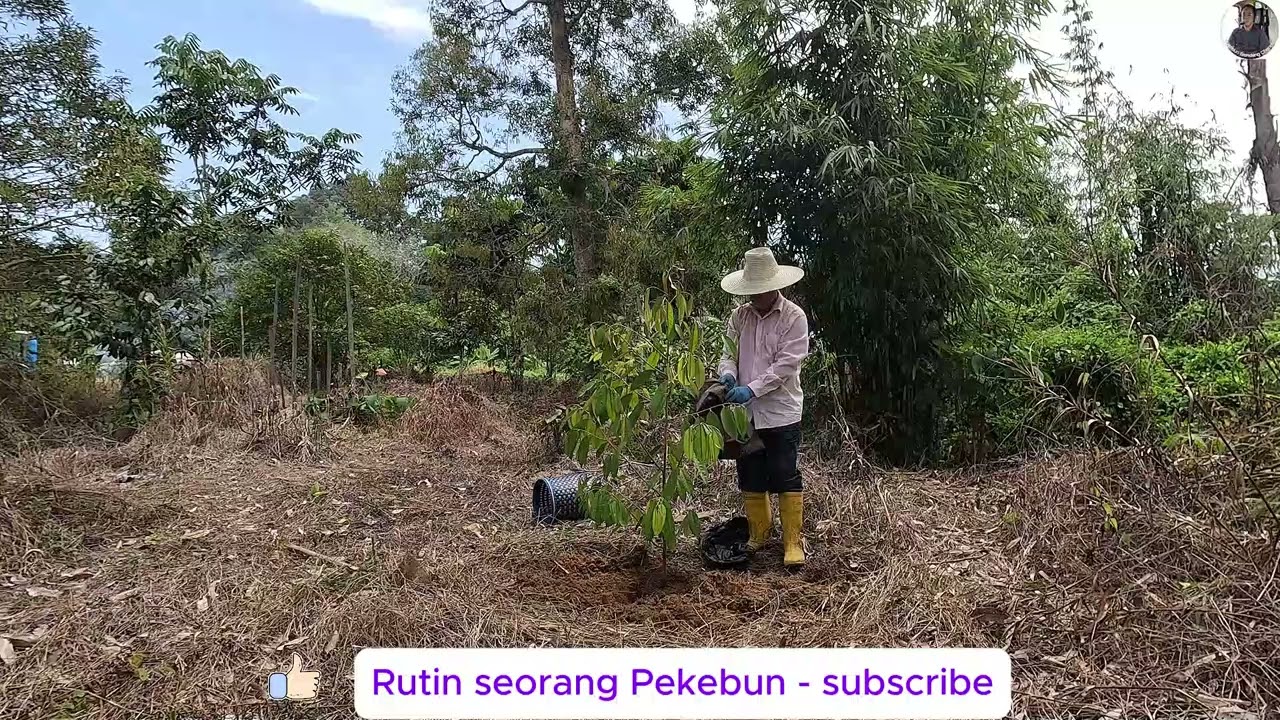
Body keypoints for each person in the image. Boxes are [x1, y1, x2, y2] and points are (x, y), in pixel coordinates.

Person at [716, 247, 810, 568]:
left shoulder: (794, 317)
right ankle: (759, 534)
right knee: (750, 473)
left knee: (784, 473)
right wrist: (728, 377)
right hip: (745, 416)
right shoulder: (738, 317)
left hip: (780, 411)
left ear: (773, 286)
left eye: (760, 290)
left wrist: (751, 389)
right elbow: (727, 354)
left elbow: (786, 366)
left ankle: (792, 543)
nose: (755, 296)